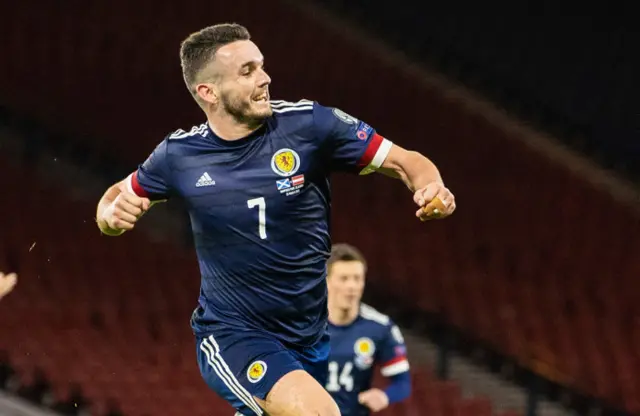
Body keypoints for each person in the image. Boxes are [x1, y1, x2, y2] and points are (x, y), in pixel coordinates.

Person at [94, 23, 455, 416]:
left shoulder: (310, 126)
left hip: (310, 339)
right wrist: (112, 215)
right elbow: (113, 201)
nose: (265, 79)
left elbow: (407, 162)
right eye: (247, 71)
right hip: (234, 333)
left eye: (261, 66)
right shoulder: (178, 155)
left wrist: (430, 186)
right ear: (208, 92)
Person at [325, 244, 411, 415]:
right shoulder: (302, 326)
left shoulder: (380, 327)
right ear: (326, 281)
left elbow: (402, 382)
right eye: (344, 279)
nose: (352, 286)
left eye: (357, 278)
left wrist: (384, 396)